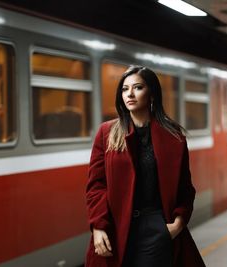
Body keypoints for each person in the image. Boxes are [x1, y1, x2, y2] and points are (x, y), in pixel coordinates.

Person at [85, 65, 206, 267]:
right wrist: (98, 226)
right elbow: (96, 186)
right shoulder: (107, 133)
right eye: (124, 89)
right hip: (117, 228)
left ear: (151, 94)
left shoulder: (173, 136)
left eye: (138, 87)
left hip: (155, 227)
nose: (129, 94)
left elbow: (185, 187)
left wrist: (178, 223)